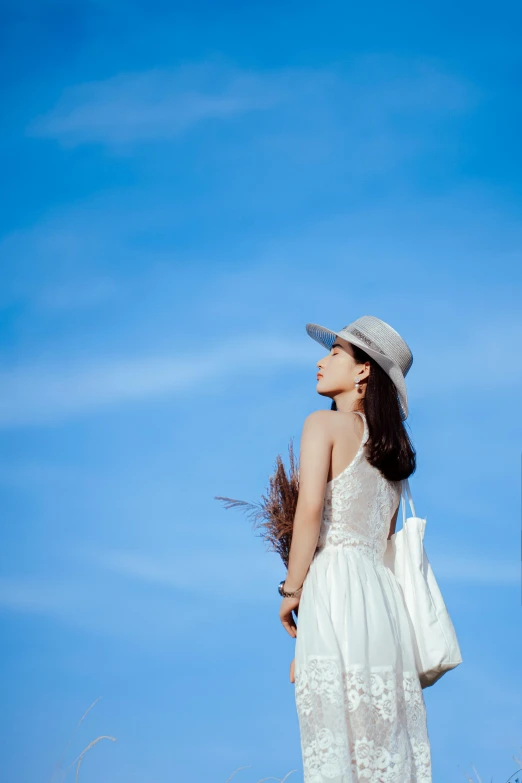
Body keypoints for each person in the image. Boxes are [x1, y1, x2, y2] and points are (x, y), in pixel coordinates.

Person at [278, 315, 432, 782]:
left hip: (333, 587)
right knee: (383, 744)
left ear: (364, 371)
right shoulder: (394, 456)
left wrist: (291, 590)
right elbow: (382, 539)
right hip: (383, 603)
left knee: (334, 746)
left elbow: (309, 514)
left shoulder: (323, 425)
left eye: (336, 353)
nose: (321, 362)